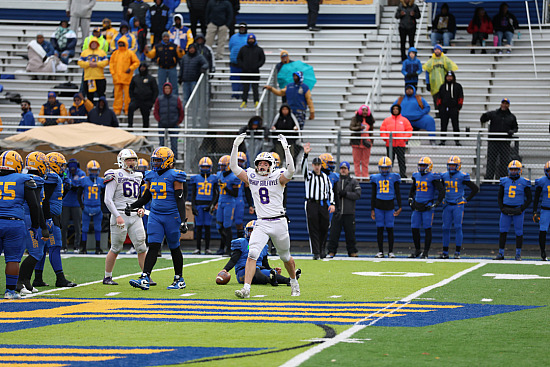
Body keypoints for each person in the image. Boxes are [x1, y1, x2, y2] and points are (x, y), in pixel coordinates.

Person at [229, 133, 301, 298]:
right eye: (259, 164)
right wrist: (235, 147)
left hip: (279, 222)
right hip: (261, 222)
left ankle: (294, 282)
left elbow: (291, 170)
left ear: (272, 165)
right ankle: (246, 289)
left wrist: (286, 149)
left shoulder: (279, 177)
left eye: (265, 164)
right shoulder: (252, 177)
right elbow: (234, 167)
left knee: (285, 256)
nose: (262, 166)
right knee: (252, 253)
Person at [128, 147, 189, 290]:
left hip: (171, 216)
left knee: (174, 247)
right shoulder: (150, 175)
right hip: (155, 215)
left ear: (167, 161)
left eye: (158, 161)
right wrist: (132, 206)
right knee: (154, 246)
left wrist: (182, 220)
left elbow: (180, 199)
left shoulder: (175, 175)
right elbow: (146, 197)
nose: (154, 163)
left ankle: (179, 278)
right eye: (154, 160)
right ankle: (145, 277)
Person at [0, 151, 45, 299]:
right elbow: (34, 205)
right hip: (14, 222)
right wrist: (36, 225)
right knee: (12, 259)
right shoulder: (24, 179)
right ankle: (10, 291)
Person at [102, 149, 147, 285]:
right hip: (120, 214)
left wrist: (141, 208)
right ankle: (107, 276)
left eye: (133, 159)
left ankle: (145, 275)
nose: (132, 162)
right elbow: (107, 199)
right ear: (121, 160)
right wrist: (117, 216)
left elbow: (138, 197)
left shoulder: (139, 176)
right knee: (116, 247)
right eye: (128, 159)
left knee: (141, 247)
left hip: (134, 215)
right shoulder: (114, 174)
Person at [33, 152, 77, 289]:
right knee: (55, 247)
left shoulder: (55, 177)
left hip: (51, 215)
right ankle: (60, 279)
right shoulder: (51, 176)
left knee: (44, 248)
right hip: (50, 216)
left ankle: (38, 279)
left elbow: (55, 197)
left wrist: (66, 188)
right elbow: (45, 199)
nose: (63, 168)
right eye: (61, 165)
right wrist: (48, 218)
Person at [220, 220, 300, 286]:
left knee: (270, 272)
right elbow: (234, 259)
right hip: (243, 272)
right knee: (256, 270)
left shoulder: (263, 246)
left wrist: (273, 270)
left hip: (259, 269)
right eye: (250, 231)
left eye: (254, 231)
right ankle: (270, 280)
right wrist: (225, 269)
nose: (252, 233)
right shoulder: (242, 243)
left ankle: (288, 280)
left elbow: (265, 264)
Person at [17, 152, 50, 295]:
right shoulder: (35, 179)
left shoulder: (25, 177)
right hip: (29, 218)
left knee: (36, 252)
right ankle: (19, 282)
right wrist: (42, 226)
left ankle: (26, 282)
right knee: (36, 253)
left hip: (24, 216)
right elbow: (36, 205)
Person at [440, 156, 479, 259]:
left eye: (453, 165)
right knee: (445, 228)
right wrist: (441, 198)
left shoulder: (462, 176)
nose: (451, 167)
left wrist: (466, 199)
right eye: (450, 165)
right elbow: (440, 189)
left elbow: (475, 188)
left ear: (458, 166)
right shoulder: (444, 175)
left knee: (458, 227)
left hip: (458, 205)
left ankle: (457, 252)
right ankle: (445, 252)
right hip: (447, 205)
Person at [301, 142, 335, 260]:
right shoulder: (309, 176)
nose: (316, 166)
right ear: (312, 165)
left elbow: (330, 190)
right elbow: (303, 169)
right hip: (311, 204)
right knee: (313, 227)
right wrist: (305, 155)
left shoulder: (325, 177)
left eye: (318, 164)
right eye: (315, 164)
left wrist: (332, 203)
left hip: (322, 204)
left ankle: (322, 249)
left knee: (324, 227)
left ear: (321, 165)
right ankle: (316, 252)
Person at [408, 157, 444, 258]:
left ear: (429, 166)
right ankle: (417, 250)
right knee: (414, 228)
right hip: (417, 205)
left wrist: (436, 203)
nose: (422, 168)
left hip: (427, 206)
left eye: (424, 166)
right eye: (421, 165)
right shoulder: (416, 175)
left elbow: (441, 191)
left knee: (427, 228)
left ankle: (426, 252)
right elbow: (412, 189)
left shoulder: (433, 176)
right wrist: (410, 199)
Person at [495, 160, 531, 260]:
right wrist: (502, 208)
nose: (513, 172)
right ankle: (501, 253)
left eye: (515, 169)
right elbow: (499, 196)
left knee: (519, 232)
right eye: (512, 169)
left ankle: (518, 254)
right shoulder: (504, 181)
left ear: (520, 170)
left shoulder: (524, 182)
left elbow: (529, 198)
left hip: (518, 210)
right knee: (503, 231)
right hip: (506, 208)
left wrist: (521, 209)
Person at [326, 162, 361, 258]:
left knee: (350, 234)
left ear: (348, 169)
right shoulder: (336, 180)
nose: (343, 170)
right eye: (341, 168)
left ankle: (352, 251)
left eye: (345, 168)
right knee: (334, 233)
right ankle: (331, 251)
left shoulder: (353, 181)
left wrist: (346, 194)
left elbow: (357, 195)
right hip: (337, 212)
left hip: (349, 212)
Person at [370, 157, 402, 258]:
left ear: (390, 167)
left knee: (390, 229)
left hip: (390, 205)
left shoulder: (394, 177)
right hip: (379, 206)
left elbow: (397, 193)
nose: (384, 170)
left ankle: (391, 251)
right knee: (379, 228)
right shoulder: (375, 178)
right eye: (382, 168)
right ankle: (380, 251)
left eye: (386, 168)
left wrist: (400, 206)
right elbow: (373, 194)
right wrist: (372, 209)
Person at [480, 98, 518, 180]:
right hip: (493, 142)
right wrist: (484, 116)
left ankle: (502, 178)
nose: (504, 105)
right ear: (501, 104)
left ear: (508, 105)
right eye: (503, 103)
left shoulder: (511, 117)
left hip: (505, 142)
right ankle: (489, 179)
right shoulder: (494, 114)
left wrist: (511, 131)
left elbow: (516, 128)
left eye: (506, 104)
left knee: (504, 162)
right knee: (491, 161)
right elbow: (484, 118)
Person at [190, 157, 218, 255]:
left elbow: (216, 194)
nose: (205, 168)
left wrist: (211, 205)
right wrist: (193, 206)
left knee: (207, 228)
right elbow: (193, 194)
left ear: (210, 167)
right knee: (198, 228)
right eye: (203, 166)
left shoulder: (214, 178)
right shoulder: (196, 178)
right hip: (198, 205)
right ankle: (198, 248)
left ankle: (207, 248)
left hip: (208, 205)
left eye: (207, 166)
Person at [77, 160, 105, 255]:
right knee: (84, 228)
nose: (94, 172)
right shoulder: (84, 180)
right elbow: (79, 194)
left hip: (97, 207)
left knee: (98, 228)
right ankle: (83, 248)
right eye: (92, 170)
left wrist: (101, 205)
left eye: (95, 170)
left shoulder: (101, 180)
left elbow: (105, 195)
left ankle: (98, 248)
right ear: (88, 171)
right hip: (87, 206)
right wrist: (82, 206)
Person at [214, 155, 240, 255]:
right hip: (221, 202)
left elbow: (235, 194)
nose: (221, 168)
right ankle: (226, 244)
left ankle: (228, 249)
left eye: (223, 166)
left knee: (227, 226)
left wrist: (225, 188)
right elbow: (217, 191)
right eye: (220, 166)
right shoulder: (219, 175)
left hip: (229, 203)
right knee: (219, 226)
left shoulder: (233, 177)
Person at [380, 104, 412, 178]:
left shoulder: (404, 120)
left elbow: (409, 130)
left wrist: (404, 139)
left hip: (400, 144)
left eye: (397, 109)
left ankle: (402, 175)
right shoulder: (387, 120)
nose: (395, 110)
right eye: (394, 109)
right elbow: (383, 130)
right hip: (390, 145)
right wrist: (386, 139)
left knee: (401, 161)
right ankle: (388, 174)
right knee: (389, 161)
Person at [110, 37, 140, 115]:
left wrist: (130, 68)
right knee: (117, 96)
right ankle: (117, 109)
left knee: (127, 96)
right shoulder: (115, 53)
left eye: (122, 43)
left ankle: (127, 109)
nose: (121, 44)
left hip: (127, 78)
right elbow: (111, 64)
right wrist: (113, 73)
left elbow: (136, 62)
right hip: (117, 78)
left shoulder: (130, 53)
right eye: (119, 43)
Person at [61, 158, 85, 253]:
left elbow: (78, 184)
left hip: (76, 203)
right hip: (65, 203)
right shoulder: (65, 172)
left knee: (78, 226)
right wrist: (71, 184)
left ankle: (77, 246)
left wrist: (71, 184)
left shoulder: (81, 173)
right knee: (64, 225)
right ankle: (64, 246)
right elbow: (64, 182)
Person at [154, 82, 184, 157]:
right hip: (162, 124)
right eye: (165, 88)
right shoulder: (159, 99)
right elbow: (155, 111)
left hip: (174, 125)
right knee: (162, 143)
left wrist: (178, 122)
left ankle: (174, 159)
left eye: (168, 88)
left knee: (174, 144)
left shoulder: (176, 99)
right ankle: (161, 158)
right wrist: (159, 120)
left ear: (171, 89)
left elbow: (181, 111)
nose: (167, 90)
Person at [237, 34, 265, 109]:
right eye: (250, 39)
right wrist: (243, 66)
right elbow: (239, 59)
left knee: (255, 88)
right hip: (245, 72)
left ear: (255, 40)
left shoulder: (259, 49)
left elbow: (262, 59)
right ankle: (244, 101)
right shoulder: (243, 49)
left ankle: (256, 101)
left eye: (252, 39)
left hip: (255, 72)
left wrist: (256, 66)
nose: (251, 40)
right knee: (245, 88)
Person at [78, 36, 108, 104]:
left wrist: (96, 64)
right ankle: (90, 110)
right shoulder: (85, 52)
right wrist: (89, 64)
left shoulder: (101, 52)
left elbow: (106, 62)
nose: (93, 45)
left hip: (99, 77)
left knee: (101, 95)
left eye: (95, 43)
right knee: (89, 96)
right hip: (89, 78)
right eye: (92, 43)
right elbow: (80, 62)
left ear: (97, 44)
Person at [437, 71, 463, 146]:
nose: (449, 78)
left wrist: (458, 107)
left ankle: (457, 140)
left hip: (454, 108)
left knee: (455, 125)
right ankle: (442, 140)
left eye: (450, 76)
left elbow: (460, 97)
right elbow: (439, 98)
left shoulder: (458, 86)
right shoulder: (442, 86)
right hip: (444, 109)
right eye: (448, 76)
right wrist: (440, 108)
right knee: (443, 125)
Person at [128, 62, 158, 128]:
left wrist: (152, 101)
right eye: (141, 67)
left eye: (144, 67)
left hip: (146, 101)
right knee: (130, 108)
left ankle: (145, 132)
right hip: (136, 99)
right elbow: (131, 88)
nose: (142, 69)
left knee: (145, 117)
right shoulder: (135, 78)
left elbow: (155, 90)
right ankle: (130, 126)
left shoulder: (151, 79)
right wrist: (132, 98)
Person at [350, 104, 374, 179]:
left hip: (366, 143)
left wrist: (371, 142)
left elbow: (371, 132)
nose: (365, 112)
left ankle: (365, 177)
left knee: (365, 162)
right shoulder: (355, 118)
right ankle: (357, 176)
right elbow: (351, 127)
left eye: (366, 110)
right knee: (356, 161)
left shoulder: (370, 120)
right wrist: (359, 128)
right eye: (363, 110)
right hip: (356, 142)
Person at [532, 161, 550, 261]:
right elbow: (537, 197)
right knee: (542, 231)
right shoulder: (542, 181)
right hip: (545, 210)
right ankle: (543, 251)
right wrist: (535, 211)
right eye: (549, 171)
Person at [228, 23, 248, 98]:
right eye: (240, 28)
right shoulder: (233, 37)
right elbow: (230, 47)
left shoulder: (249, 37)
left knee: (245, 80)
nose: (242, 29)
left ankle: (244, 95)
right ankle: (235, 94)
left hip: (245, 64)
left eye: (243, 28)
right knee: (234, 79)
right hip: (234, 63)